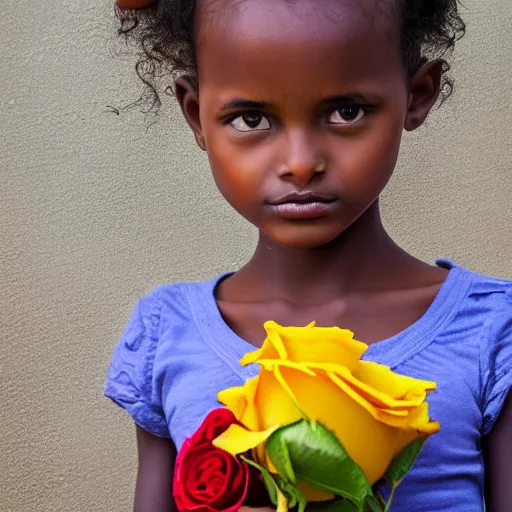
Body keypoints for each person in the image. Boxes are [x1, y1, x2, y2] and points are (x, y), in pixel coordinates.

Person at [104, 0, 511, 510]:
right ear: (196, 114)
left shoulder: (493, 329)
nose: (300, 164)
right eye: (250, 118)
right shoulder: (167, 333)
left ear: (417, 94)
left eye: (346, 112)